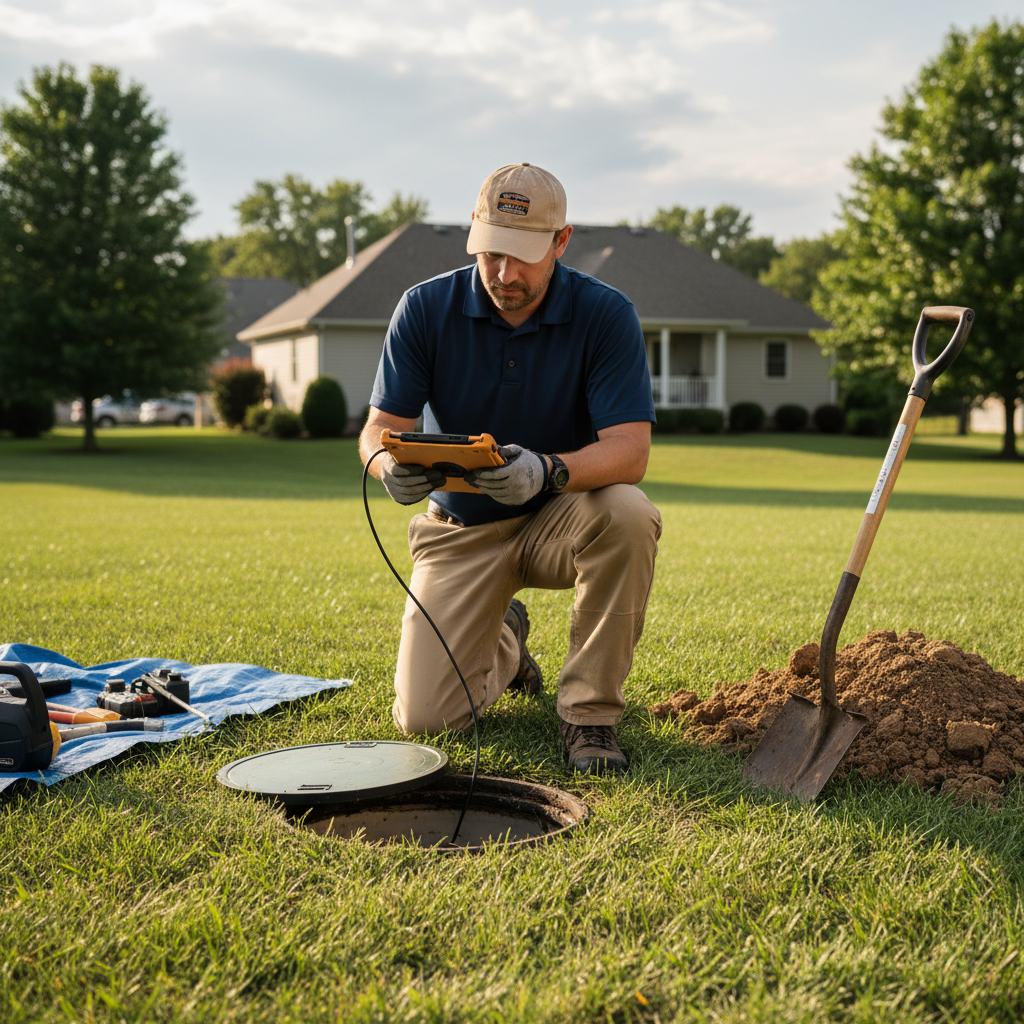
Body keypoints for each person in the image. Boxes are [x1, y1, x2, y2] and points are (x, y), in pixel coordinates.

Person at [358, 162, 661, 774]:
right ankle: (507, 640)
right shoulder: (424, 307)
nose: (503, 274)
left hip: (561, 516)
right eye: (491, 252)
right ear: (473, 232)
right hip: (460, 528)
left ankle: (590, 716)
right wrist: (385, 462)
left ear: (561, 241)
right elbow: (377, 428)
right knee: (425, 720)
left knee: (629, 513)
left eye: (522, 256)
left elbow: (631, 451)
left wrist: (546, 471)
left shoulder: (605, 314)